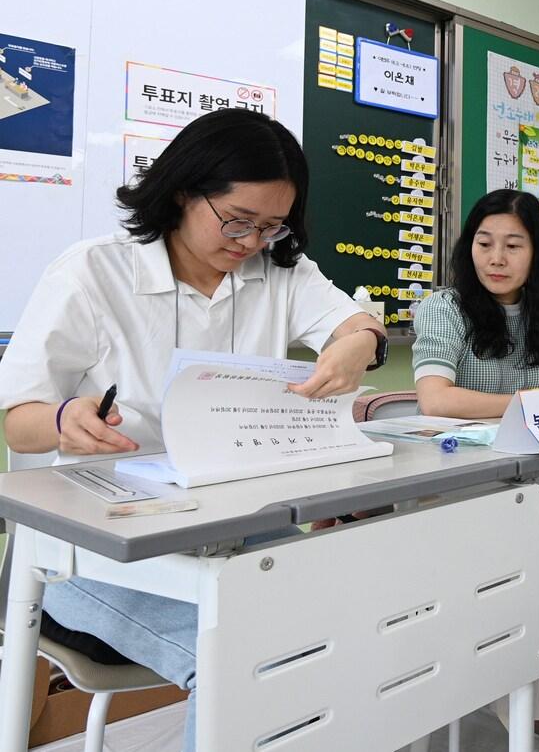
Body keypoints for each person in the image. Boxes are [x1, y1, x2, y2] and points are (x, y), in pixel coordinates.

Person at [0, 108, 388, 750]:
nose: (250, 242)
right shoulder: (93, 273)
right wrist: (67, 421)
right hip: (93, 548)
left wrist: (362, 341)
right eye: (236, 220)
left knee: (359, 618)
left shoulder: (281, 273)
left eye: (271, 226)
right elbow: (21, 425)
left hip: (233, 524)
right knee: (245, 655)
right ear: (183, 191)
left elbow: (354, 326)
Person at [411, 188, 539, 748]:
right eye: (484, 243)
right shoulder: (444, 307)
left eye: (513, 245)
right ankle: (506, 690)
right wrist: (530, 405)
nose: (496, 258)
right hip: (455, 481)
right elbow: (435, 399)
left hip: (529, 481)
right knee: (517, 540)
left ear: (536, 251)